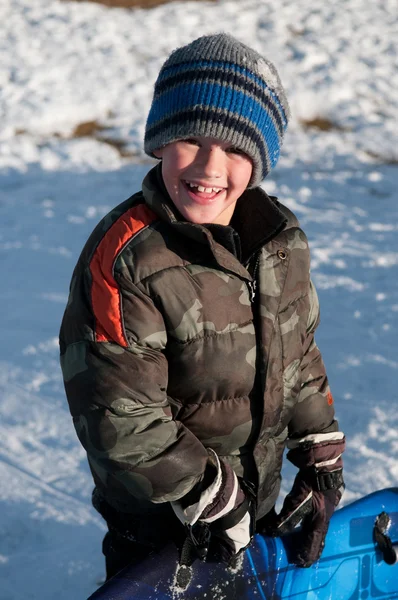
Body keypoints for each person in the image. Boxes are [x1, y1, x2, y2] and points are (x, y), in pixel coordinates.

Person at [59, 33, 345, 581]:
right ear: (160, 140)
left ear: (261, 160)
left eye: (237, 147)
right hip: (156, 516)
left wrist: (319, 450)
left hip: (253, 498)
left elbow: (297, 355)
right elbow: (118, 413)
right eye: (191, 137)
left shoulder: (280, 243)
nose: (212, 166)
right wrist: (205, 492)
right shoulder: (127, 261)